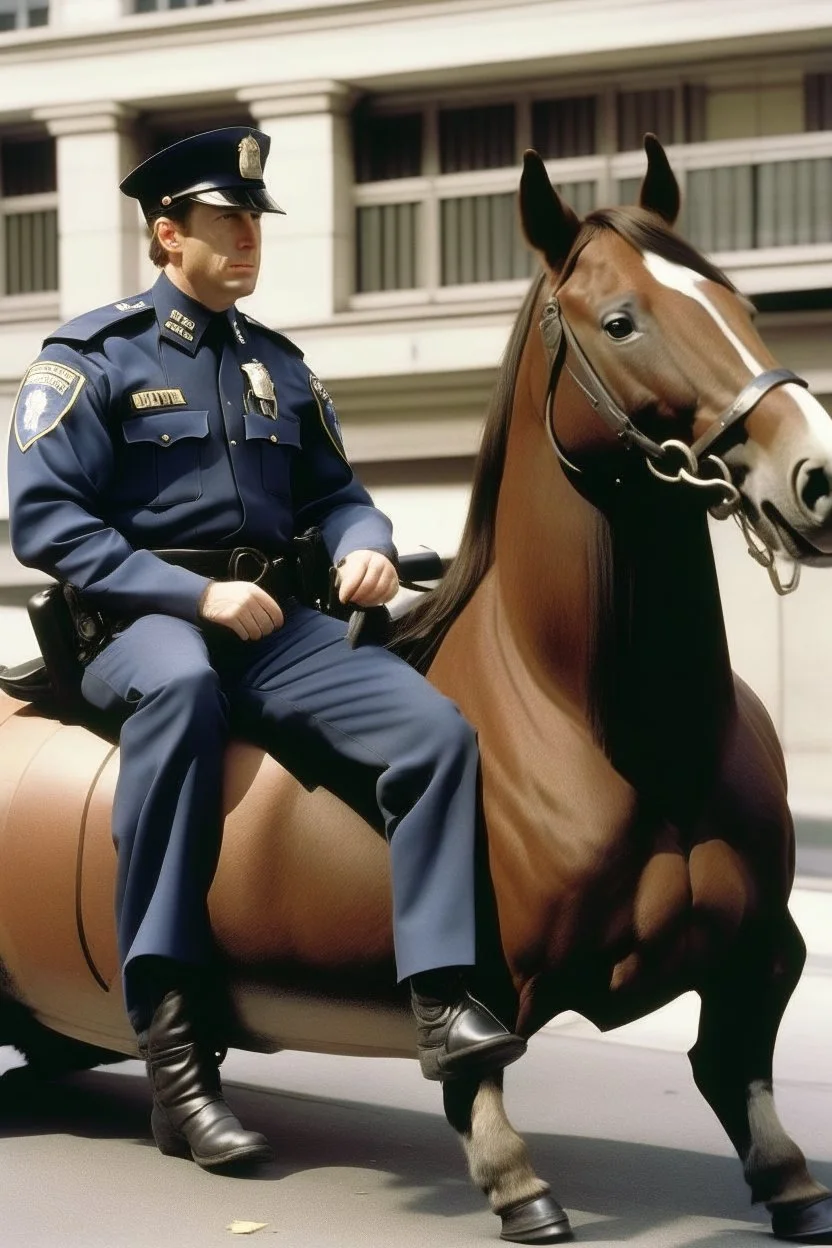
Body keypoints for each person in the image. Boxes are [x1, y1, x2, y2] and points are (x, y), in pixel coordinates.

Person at [7, 127, 525, 1170]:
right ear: (167, 234)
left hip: (279, 629)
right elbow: (45, 523)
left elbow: (339, 497)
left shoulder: (276, 364)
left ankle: (440, 998)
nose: (246, 237)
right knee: (184, 694)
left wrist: (365, 550)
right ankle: (173, 1055)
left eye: (253, 220)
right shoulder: (90, 357)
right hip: (137, 628)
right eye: (223, 221)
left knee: (434, 733)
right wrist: (194, 595)